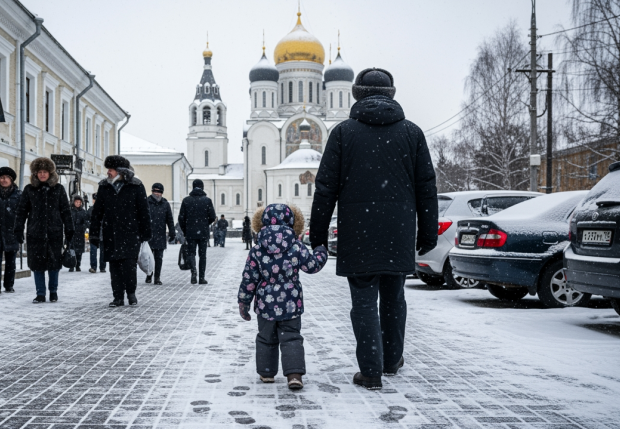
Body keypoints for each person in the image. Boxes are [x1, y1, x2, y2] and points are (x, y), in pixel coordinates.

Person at [309, 68, 438, 390]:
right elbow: (426, 187)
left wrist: (318, 235)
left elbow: (325, 188)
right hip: (398, 230)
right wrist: (428, 232)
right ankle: (391, 360)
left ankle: (370, 371)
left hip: (358, 230)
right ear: (391, 94)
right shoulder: (411, 132)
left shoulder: (343, 133)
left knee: (364, 300)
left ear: (356, 94)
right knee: (394, 297)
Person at [237, 204, 328, 390]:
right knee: (291, 337)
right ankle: (294, 375)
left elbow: (249, 279)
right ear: (292, 222)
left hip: (265, 304)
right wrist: (321, 251)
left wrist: (244, 302)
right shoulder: (296, 246)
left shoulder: (257, 249)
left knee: (266, 338)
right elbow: (312, 266)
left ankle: (267, 373)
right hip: (291, 302)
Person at [88, 155, 152, 307]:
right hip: (111, 233)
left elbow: (144, 211)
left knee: (129, 265)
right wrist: (94, 233)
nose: (108, 172)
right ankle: (117, 297)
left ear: (120, 171)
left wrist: (146, 232)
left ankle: (131, 294)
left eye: (111, 169)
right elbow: (97, 212)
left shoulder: (136, 186)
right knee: (115, 267)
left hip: (131, 233)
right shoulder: (104, 186)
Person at [15, 157, 74, 303]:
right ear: (35, 173)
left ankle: (53, 292)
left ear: (50, 173)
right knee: (37, 265)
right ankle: (40, 293)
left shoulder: (58, 189)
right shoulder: (29, 189)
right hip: (35, 233)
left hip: (55, 232)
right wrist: (18, 229)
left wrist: (69, 229)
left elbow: (66, 211)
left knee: (54, 264)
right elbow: (21, 211)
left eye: (45, 172)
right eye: (39, 172)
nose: (42, 174)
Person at [178, 179, 216, 285]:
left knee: (191, 253)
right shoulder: (207, 200)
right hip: (203, 232)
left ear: (193, 187)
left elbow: (181, 218)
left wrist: (186, 229)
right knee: (202, 255)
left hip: (190, 232)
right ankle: (202, 277)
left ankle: (193, 273)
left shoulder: (186, 200)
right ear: (202, 187)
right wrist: (205, 224)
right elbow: (212, 217)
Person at [145, 183, 175, 285]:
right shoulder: (147, 202)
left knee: (158, 258)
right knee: (148, 257)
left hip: (160, 234)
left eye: (159, 192)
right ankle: (149, 274)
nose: (157, 193)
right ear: (152, 191)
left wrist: (172, 233)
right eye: (155, 191)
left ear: (162, 193)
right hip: (148, 234)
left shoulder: (165, 204)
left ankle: (157, 277)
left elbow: (170, 220)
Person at [69, 195, 89, 272]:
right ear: (74, 202)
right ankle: (71, 265)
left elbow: (86, 222)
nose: (78, 203)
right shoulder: (70, 211)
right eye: (76, 202)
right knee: (71, 250)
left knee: (79, 251)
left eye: (79, 202)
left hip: (80, 233)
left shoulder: (83, 212)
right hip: (72, 233)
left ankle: (78, 265)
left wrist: (83, 227)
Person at [87, 193, 102, 273]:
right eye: (94, 199)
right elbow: (86, 220)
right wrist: (90, 224)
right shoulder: (90, 210)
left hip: (102, 233)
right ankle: (93, 267)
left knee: (102, 251)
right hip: (93, 233)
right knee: (93, 251)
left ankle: (102, 267)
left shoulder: (104, 209)